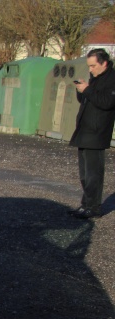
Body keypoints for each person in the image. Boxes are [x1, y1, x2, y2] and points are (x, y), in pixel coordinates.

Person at [68, 48, 115, 220]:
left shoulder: (111, 79)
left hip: (98, 131)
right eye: (89, 66)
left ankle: (94, 207)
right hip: (85, 130)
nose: (90, 69)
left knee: (94, 173)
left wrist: (87, 89)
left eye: (93, 66)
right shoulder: (95, 78)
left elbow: (107, 102)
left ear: (104, 63)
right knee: (84, 173)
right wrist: (81, 90)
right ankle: (85, 204)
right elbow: (88, 99)